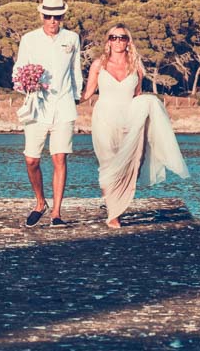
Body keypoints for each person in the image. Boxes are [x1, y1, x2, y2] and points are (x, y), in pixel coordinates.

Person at [81, 23, 189, 228]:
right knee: (108, 164)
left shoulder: (136, 66)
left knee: (132, 163)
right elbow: (88, 94)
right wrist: (69, 100)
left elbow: (137, 95)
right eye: (113, 37)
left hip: (129, 119)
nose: (117, 41)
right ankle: (114, 213)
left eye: (122, 37)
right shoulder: (98, 64)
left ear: (128, 41)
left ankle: (119, 203)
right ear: (108, 41)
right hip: (104, 118)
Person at [14, 0, 83, 228]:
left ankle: (56, 213)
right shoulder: (28, 39)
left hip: (64, 106)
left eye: (57, 16)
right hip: (36, 106)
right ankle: (40, 203)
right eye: (48, 15)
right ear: (42, 15)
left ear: (62, 15)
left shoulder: (72, 38)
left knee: (59, 157)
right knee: (32, 159)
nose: (52, 20)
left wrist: (76, 97)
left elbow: (76, 70)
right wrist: (26, 84)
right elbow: (18, 70)